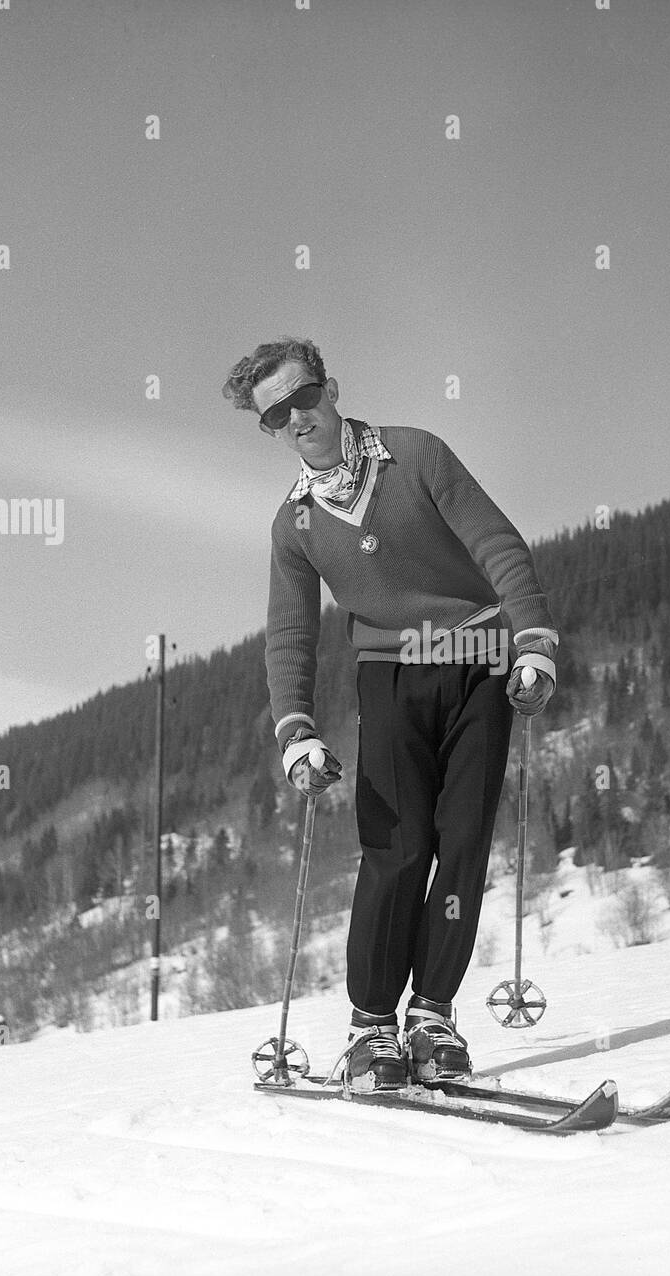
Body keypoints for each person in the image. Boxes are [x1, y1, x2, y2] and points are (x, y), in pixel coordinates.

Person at [223, 337, 557, 1093]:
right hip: (390, 676)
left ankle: (433, 1017)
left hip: (478, 658)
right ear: (268, 429)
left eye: (304, 398)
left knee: (463, 841)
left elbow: (497, 543)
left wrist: (535, 642)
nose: (297, 419)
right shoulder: (296, 525)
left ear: (331, 388)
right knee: (397, 847)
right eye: (277, 414)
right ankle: (372, 1027)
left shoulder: (415, 455)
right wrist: (296, 731)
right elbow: (291, 634)